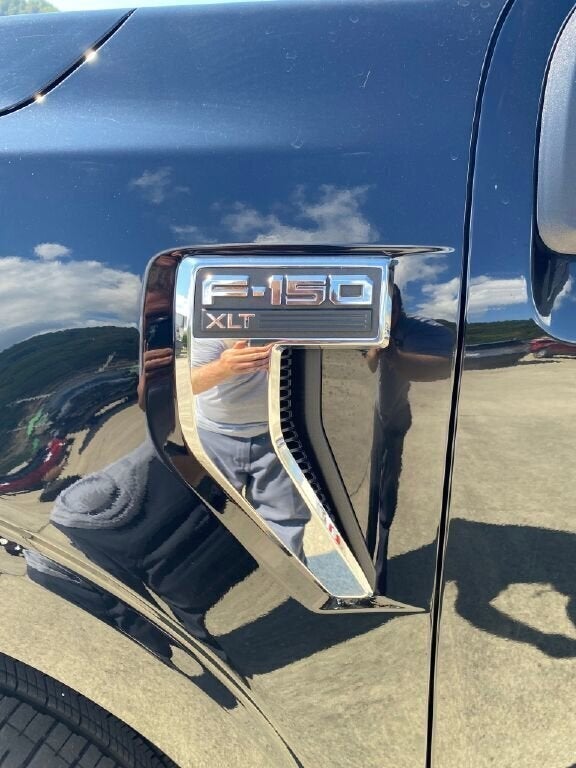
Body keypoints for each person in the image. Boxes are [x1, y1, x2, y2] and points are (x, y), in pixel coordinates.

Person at [366, 286, 453, 595]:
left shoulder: (425, 330)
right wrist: (370, 353)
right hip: (355, 426)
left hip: (392, 422)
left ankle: (379, 568)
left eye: (386, 310)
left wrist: (392, 352)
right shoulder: (347, 328)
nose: (378, 317)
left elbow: (444, 366)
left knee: (386, 490)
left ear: (398, 309)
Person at [191, 339, 311, 560]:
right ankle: (222, 575)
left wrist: (290, 366)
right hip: (215, 436)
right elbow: (189, 383)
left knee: (286, 523)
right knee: (208, 516)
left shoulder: (299, 321)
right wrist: (223, 367)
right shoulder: (213, 325)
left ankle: (288, 575)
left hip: (280, 435)